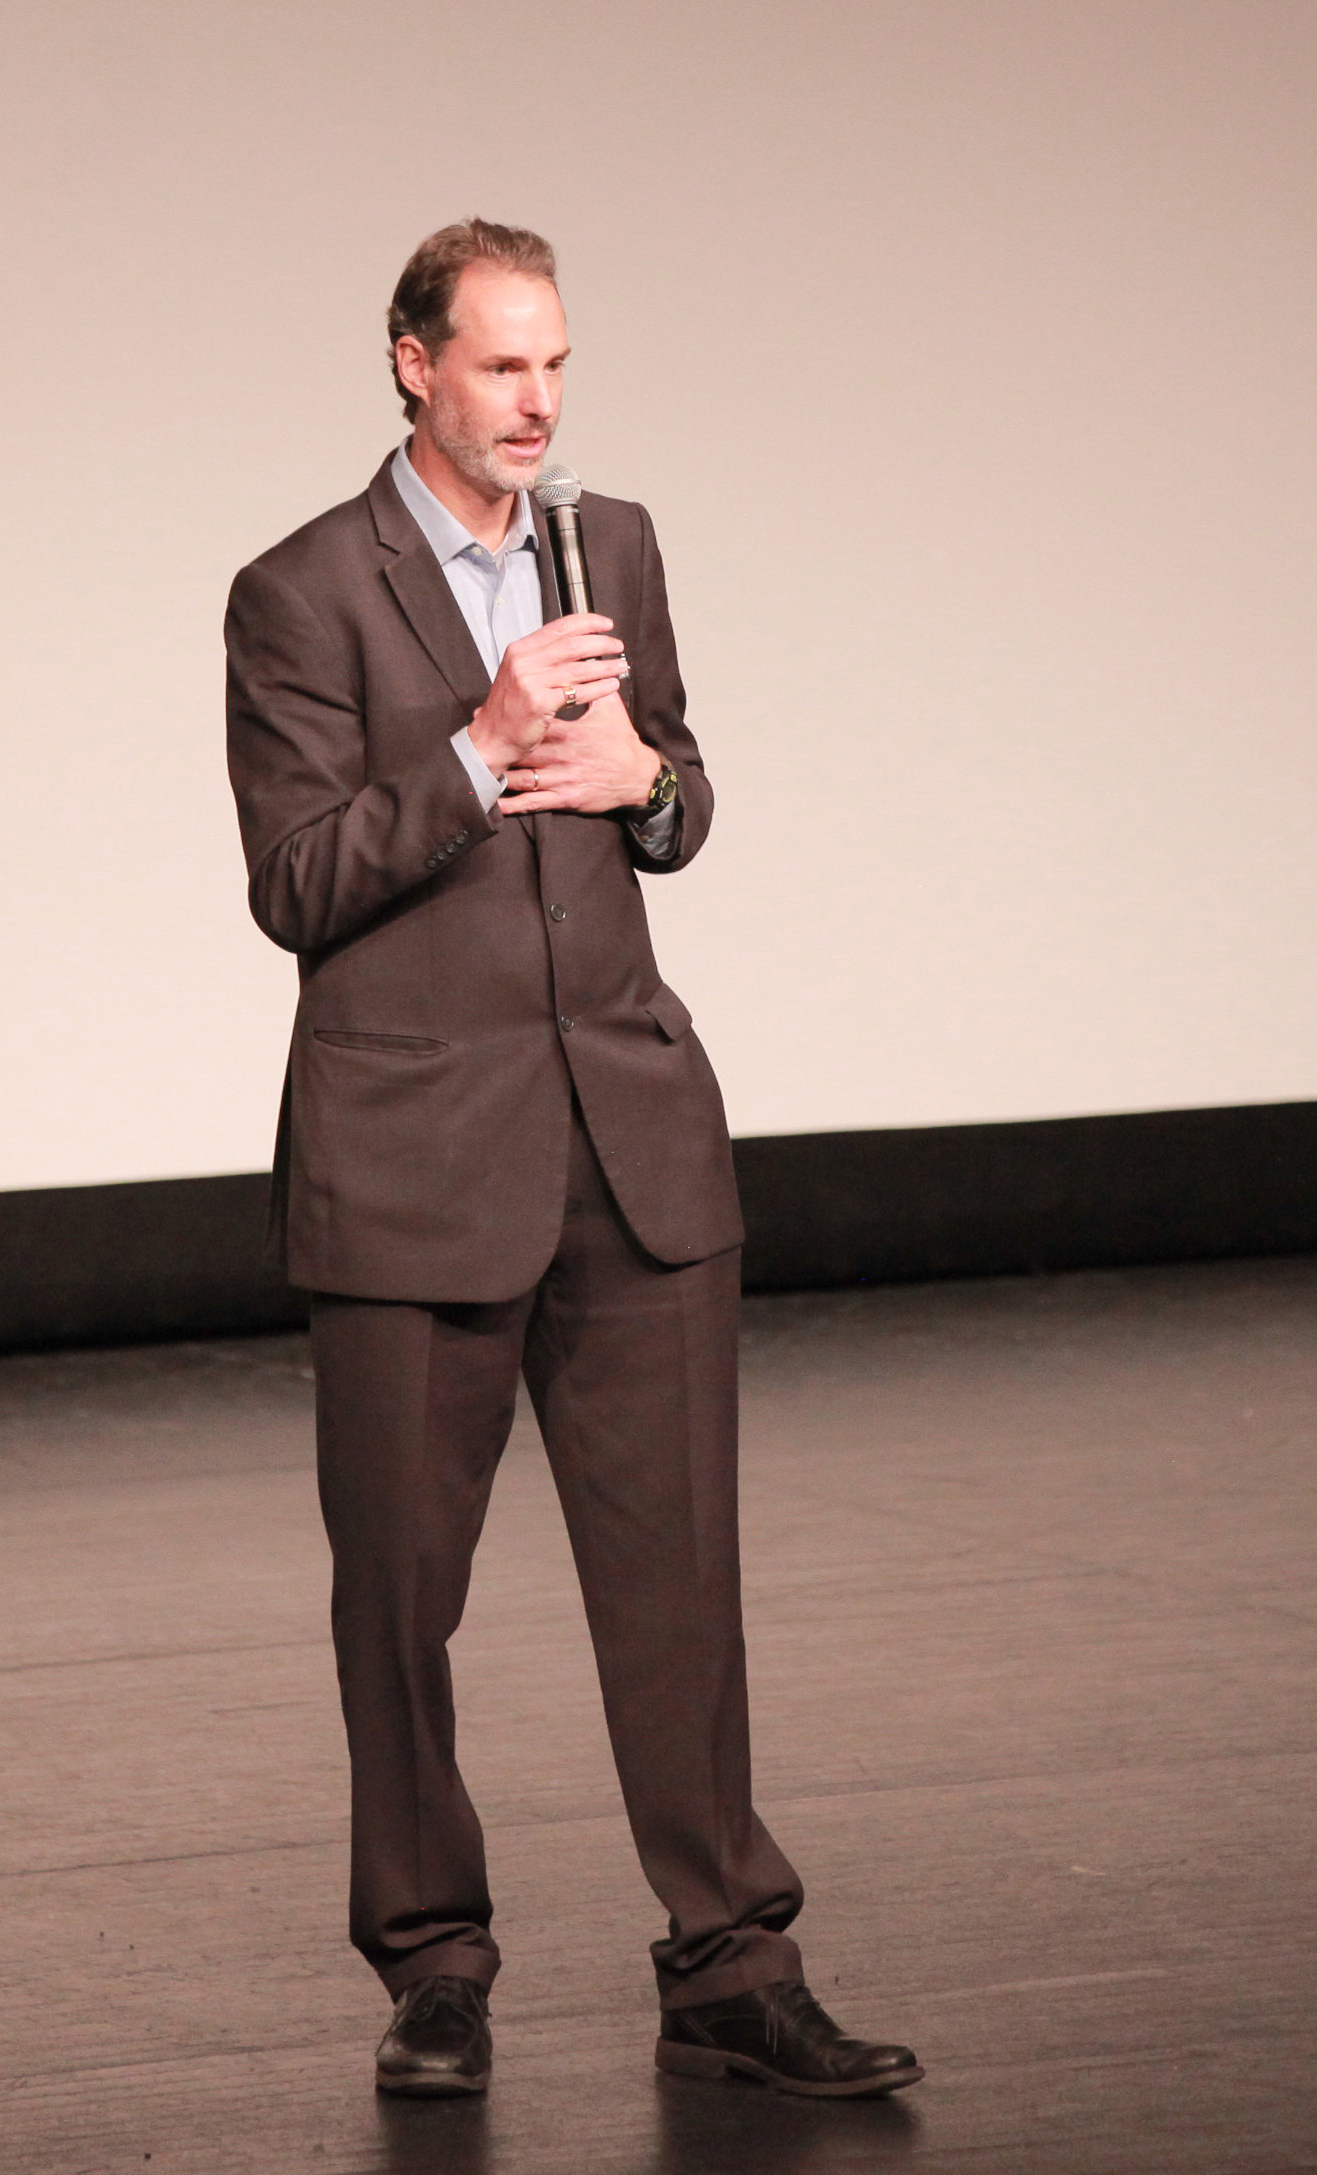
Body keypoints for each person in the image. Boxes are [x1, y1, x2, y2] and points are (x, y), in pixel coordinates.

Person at [222, 218, 919, 2101]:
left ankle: (730, 1963)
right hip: (412, 1160)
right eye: (501, 364)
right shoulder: (301, 590)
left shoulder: (613, 544)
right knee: (398, 1595)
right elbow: (296, 883)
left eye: (557, 365)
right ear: (414, 365)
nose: (537, 402)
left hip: (629, 1139)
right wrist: (478, 745)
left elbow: (668, 790)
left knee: (681, 1582)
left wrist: (653, 787)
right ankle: (433, 1967)